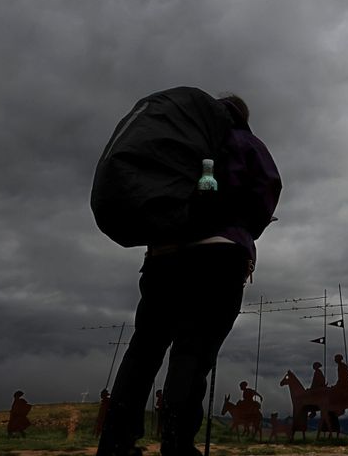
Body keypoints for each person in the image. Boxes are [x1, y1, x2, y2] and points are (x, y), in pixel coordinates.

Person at [97, 93, 282, 456]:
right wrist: (248, 229)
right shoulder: (245, 142)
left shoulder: (181, 141)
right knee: (193, 350)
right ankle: (177, 444)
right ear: (242, 117)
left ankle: (115, 442)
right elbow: (266, 190)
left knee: (144, 348)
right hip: (217, 255)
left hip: (162, 255)